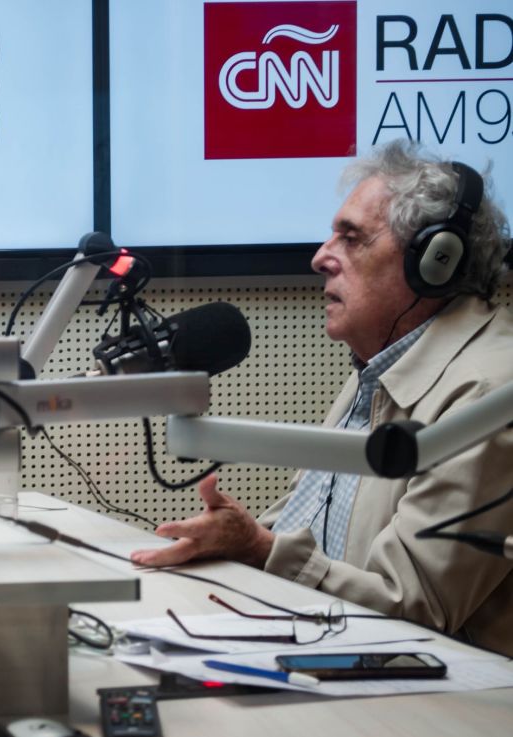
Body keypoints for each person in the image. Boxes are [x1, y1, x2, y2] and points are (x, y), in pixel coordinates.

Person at [132, 140, 513, 656]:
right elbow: (312, 531)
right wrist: (229, 538)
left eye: (351, 238)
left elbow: (416, 610)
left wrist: (260, 548)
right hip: (340, 657)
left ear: (434, 262)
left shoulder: (487, 398)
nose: (320, 258)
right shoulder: (381, 366)